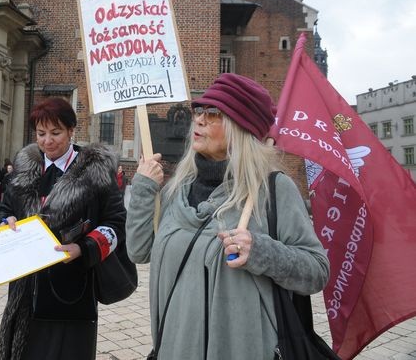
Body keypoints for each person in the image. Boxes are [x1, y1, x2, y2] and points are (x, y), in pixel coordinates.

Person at [126, 73, 330, 359]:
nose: (199, 120)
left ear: (240, 127)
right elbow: (139, 251)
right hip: (175, 348)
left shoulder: (273, 189)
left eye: (214, 114)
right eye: (199, 111)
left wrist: (261, 251)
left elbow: (317, 271)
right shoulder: (177, 189)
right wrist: (143, 189)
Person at [0, 97, 127, 360]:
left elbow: (116, 225)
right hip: (25, 289)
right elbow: (4, 209)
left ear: (71, 131)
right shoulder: (25, 168)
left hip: (71, 289)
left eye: (56, 133)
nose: (47, 141)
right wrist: (3, 222)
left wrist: (83, 248)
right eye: (41, 134)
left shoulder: (95, 172)